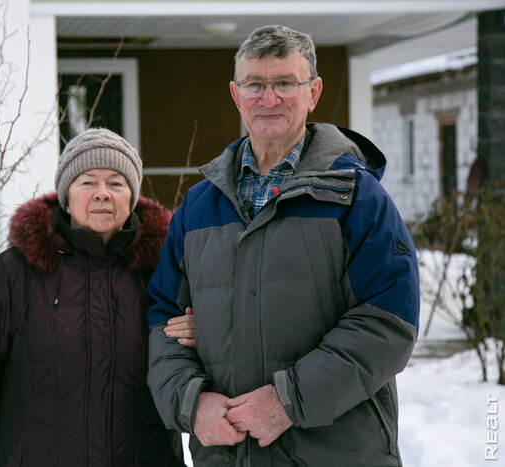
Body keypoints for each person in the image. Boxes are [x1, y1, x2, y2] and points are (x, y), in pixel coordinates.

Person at [146, 25, 419, 466]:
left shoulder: (357, 198)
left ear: (313, 93)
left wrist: (287, 402)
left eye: (284, 83)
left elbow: (387, 325)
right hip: (229, 454)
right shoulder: (198, 206)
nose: (268, 98)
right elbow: (162, 320)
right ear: (236, 95)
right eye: (255, 83)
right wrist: (191, 403)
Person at [0, 128, 193, 466]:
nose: (102, 194)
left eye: (116, 183)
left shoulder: (162, 271)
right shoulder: (17, 270)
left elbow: (194, 365)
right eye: (88, 182)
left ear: (132, 197)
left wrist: (200, 334)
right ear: (66, 195)